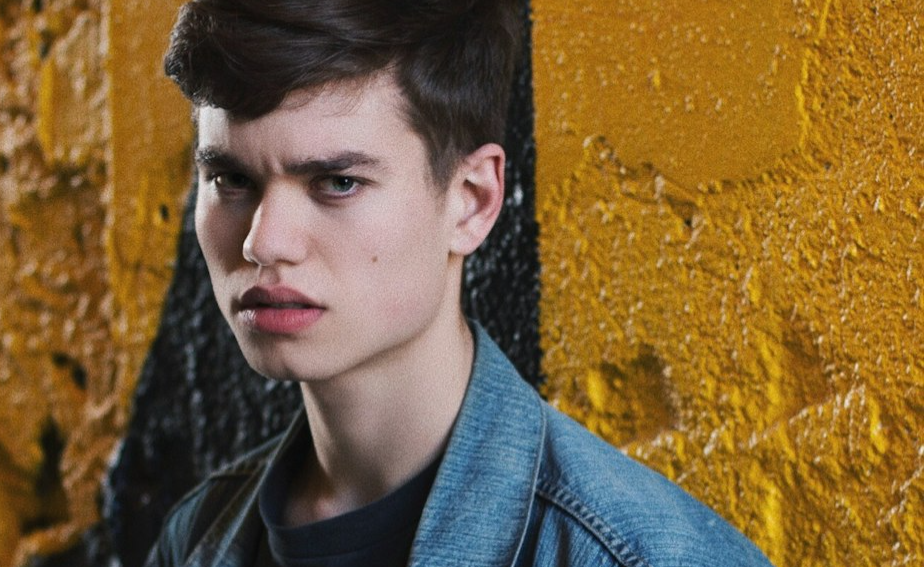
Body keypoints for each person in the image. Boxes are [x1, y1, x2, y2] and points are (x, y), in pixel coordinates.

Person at [146, 0, 775, 565]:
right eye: (231, 180)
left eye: (338, 183)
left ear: (471, 201)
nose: (263, 243)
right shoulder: (196, 538)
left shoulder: (637, 555)